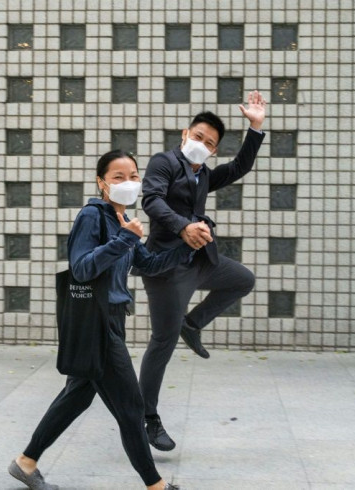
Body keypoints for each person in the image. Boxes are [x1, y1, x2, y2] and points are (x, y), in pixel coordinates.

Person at [9, 150, 189, 490]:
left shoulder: (123, 220)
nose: (128, 182)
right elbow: (81, 267)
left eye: (133, 176)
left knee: (77, 395)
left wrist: (187, 246)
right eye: (118, 177)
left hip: (112, 319)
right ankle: (156, 486)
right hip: (98, 322)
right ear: (101, 183)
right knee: (131, 407)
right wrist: (125, 239)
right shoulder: (92, 216)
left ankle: (25, 462)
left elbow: (147, 265)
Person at [136, 91, 267, 451]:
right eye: (198, 137)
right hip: (167, 267)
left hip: (201, 262)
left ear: (213, 151)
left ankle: (192, 324)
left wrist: (255, 127)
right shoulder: (163, 163)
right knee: (162, 342)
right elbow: (151, 200)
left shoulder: (204, 175)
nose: (203, 145)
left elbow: (239, 167)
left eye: (210, 144)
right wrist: (183, 227)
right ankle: (148, 419)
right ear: (185, 134)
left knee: (243, 279)